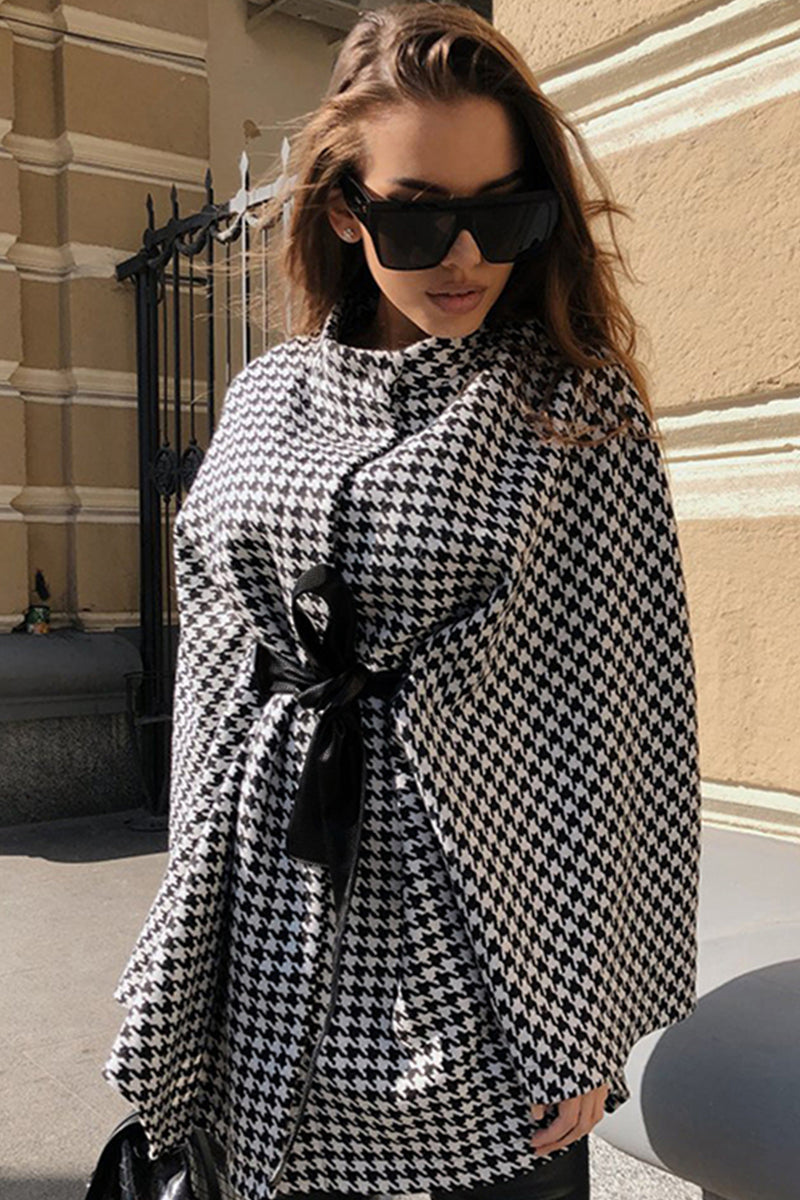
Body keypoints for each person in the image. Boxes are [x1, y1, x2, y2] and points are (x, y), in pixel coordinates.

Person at [101, 4, 702, 1200]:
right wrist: (181, 962)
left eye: (502, 212)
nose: (465, 255)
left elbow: (626, 730)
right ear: (344, 208)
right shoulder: (267, 396)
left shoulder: (571, 413)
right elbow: (213, 693)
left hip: (488, 958)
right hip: (272, 934)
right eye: (419, 215)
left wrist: (585, 1020)